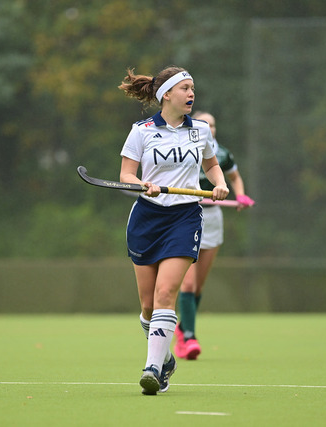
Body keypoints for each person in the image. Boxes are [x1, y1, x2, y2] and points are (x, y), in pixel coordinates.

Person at [118, 66, 229, 395]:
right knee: (148, 306)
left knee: (166, 294)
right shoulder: (141, 131)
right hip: (147, 218)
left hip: (184, 218)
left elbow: (212, 164)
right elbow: (126, 175)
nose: (191, 93)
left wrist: (220, 184)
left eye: (192, 88)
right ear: (166, 94)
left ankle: (152, 369)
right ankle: (164, 358)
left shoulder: (201, 131)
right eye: (185, 88)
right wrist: (143, 185)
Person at [174, 111, 254, 360]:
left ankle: (182, 328)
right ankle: (189, 337)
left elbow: (235, 178)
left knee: (198, 286)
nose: (210, 128)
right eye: (204, 123)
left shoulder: (222, 154)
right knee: (187, 284)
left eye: (213, 124)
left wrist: (240, 195)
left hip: (212, 218)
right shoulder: (182, 149)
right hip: (186, 214)